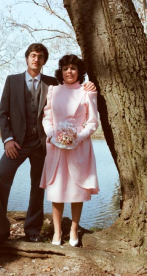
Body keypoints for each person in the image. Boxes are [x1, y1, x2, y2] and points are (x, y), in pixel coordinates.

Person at [0, 44, 95, 248]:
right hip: (16, 144)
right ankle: (0, 232)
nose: (36, 59)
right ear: (27, 58)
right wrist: (8, 139)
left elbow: (72, 86)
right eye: (32, 55)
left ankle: (32, 231)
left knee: (38, 187)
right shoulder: (12, 81)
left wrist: (89, 85)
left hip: (42, 145)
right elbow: (3, 113)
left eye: (40, 57)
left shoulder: (52, 83)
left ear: (44, 61)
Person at [40, 54, 99, 247]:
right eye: (65, 69)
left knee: (75, 191)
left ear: (79, 71)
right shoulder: (53, 91)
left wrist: (78, 137)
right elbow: (47, 118)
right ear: (61, 72)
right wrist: (52, 134)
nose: (69, 72)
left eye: (73, 68)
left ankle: (74, 230)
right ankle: (57, 232)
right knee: (56, 190)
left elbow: (92, 122)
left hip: (79, 147)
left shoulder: (87, 91)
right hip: (56, 147)